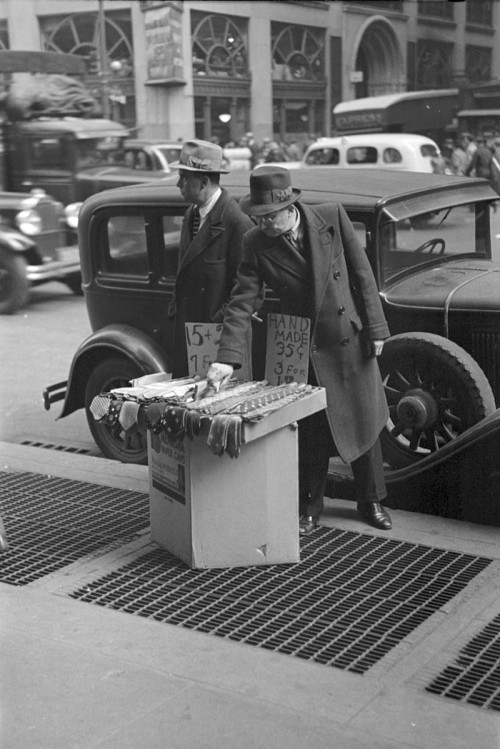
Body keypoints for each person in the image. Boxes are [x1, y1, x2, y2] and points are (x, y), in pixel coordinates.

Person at [206, 166, 392, 534]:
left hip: (349, 339)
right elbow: (242, 301)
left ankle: (370, 501)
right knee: (312, 430)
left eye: (268, 218)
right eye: (256, 218)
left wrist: (377, 328)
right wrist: (226, 359)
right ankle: (310, 506)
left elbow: (362, 275)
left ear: (288, 207)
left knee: (364, 420)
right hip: (305, 347)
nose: (262, 225)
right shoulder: (256, 243)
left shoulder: (331, 217)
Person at [168, 139, 254, 378]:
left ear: (204, 181)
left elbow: (249, 293)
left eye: (184, 178)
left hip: (220, 345)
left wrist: (213, 323)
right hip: (191, 337)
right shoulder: (191, 214)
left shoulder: (237, 223)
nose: (178, 184)